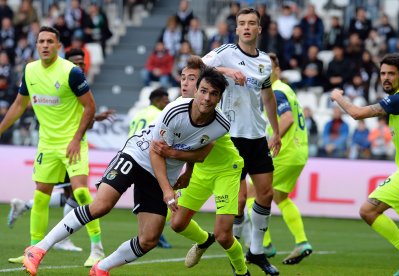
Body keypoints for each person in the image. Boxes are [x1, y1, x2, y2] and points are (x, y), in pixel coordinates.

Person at [22, 67, 231, 276]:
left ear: (220, 97)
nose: (207, 98)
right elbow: (155, 152)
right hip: (137, 154)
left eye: (214, 94)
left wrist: (187, 170)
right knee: (101, 206)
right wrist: (167, 190)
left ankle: (101, 268)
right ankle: (38, 249)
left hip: (164, 172)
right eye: (203, 91)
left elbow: (200, 151)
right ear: (196, 91)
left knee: (149, 239)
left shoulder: (221, 125)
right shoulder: (174, 111)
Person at [0, 26, 105, 267]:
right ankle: (32, 251)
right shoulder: (29, 70)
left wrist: (77, 138)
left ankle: (97, 249)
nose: (45, 45)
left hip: (73, 142)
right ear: (36, 45)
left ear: (58, 46)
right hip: (47, 144)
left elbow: (90, 107)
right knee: (40, 197)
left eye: (50, 41)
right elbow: (18, 104)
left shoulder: (71, 72)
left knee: (79, 192)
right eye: (41, 41)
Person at [202, 8, 281, 276]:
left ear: (259, 29)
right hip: (230, 135)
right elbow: (197, 65)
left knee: (266, 194)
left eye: (252, 24)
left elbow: (268, 97)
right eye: (242, 24)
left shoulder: (266, 62)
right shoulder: (225, 52)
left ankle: (256, 252)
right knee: (238, 202)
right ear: (236, 29)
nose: (246, 27)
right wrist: (224, 70)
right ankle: (236, 256)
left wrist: (277, 132)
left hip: (257, 135)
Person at [156, 55, 248, 275]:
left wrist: (172, 154)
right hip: (200, 168)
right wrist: (186, 170)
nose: (186, 83)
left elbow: (199, 151)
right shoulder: (176, 109)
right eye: (184, 78)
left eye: (192, 78)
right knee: (177, 224)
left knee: (225, 236)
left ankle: (242, 271)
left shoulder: (219, 120)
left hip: (225, 170)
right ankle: (205, 240)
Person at [330, 53, 399, 276]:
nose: (386, 78)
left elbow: (357, 113)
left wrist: (337, 96)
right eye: (383, 73)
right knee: (368, 211)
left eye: (391, 74)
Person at [245, 53, 313, 264]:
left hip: (284, 152)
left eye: (270, 67)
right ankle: (302, 242)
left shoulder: (276, 91)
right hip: (299, 152)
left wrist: (273, 139)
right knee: (280, 198)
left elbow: (288, 118)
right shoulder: (287, 89)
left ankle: (263, 245)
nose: (265, 71)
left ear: (277, 70)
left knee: (249, 193)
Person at [128, 87, 172, 249]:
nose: (168, 104)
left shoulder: (138, 114)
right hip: (151, 161)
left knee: (149, 199)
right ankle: (155, 231)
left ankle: (152, 231)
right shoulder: (158, 115)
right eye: (166, 101)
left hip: (134, 157)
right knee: (170, 198)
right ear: (157, 100)